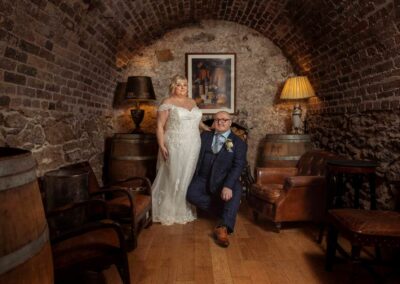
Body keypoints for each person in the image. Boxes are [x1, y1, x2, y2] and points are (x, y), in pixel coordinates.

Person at [152, 75, 210, 225]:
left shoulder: (191, 102)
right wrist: (161, 145)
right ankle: (169, 210)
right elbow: (159, 126)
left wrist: (207, 128)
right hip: (175, 142)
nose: (183, 88)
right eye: (179, 85)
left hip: (194, 143)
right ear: (173, 87)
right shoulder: (167, 102)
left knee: (188, 175)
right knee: (174, 175)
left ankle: (184, 208)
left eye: (185, 85)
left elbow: (195, 120)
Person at [186, 111, 247, 247]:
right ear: (214, 122)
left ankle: (223, 227)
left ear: (230, 123)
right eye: (217, 119)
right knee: (191, 194)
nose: (220, 122)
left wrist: (228, 186)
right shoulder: (205, 136)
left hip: (222, 179)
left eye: (224, 120)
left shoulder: (238, 143)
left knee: (236, 187)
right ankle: (227, 211)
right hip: (203, 177)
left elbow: (238, 166)